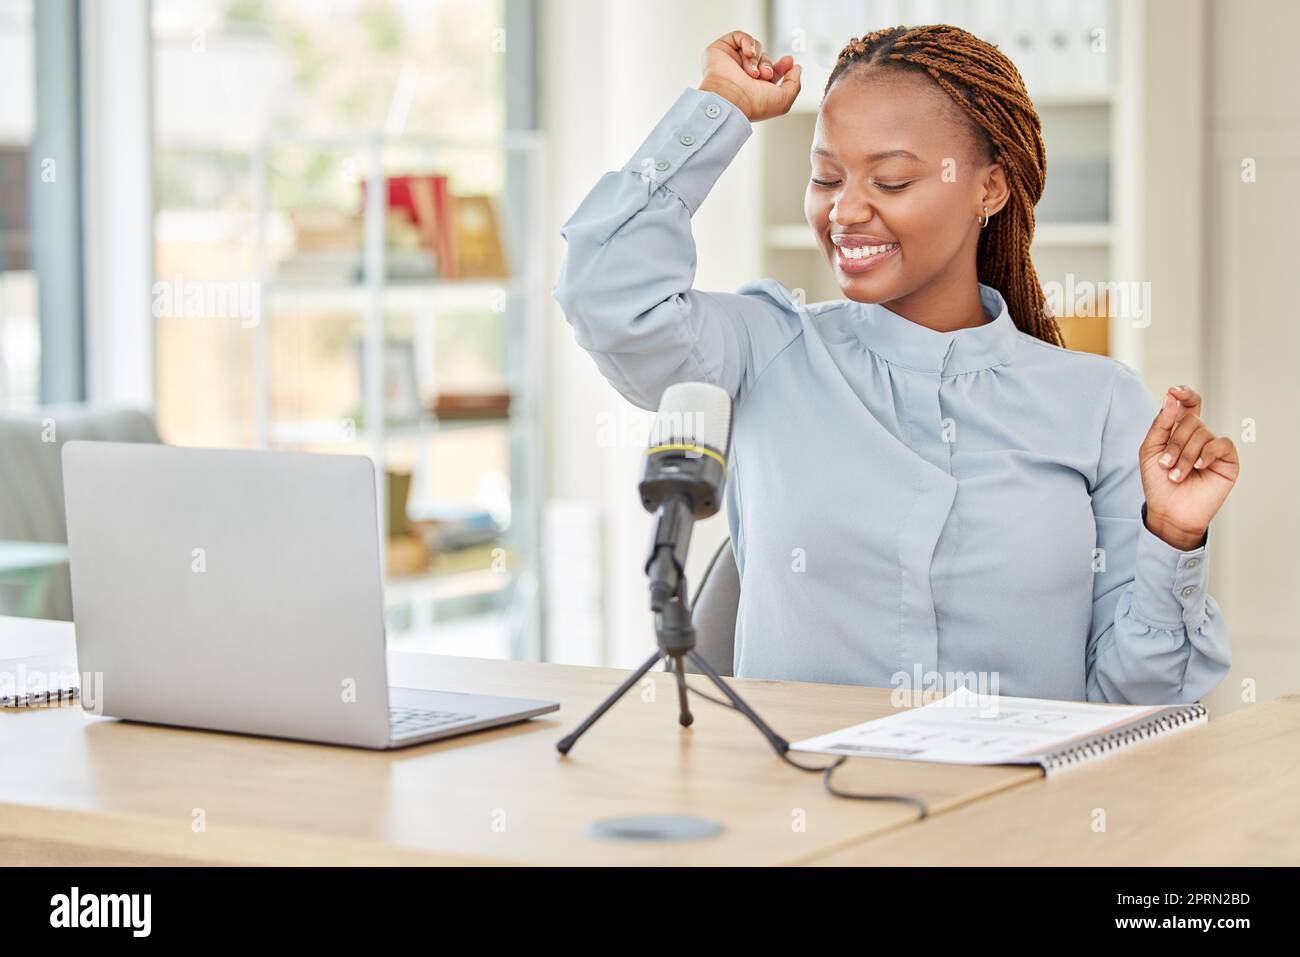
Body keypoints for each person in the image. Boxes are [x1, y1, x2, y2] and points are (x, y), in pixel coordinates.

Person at [552, 25, 1239, 704]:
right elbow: (607, 294)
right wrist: (719, 106)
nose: (845, 210)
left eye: (891, 179)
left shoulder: (1101, 402)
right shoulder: (765, 348)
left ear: (990, 189)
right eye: (826, 177)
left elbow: (1136, 698)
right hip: (807, 800)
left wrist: (1173, 536)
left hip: (1024, 806)